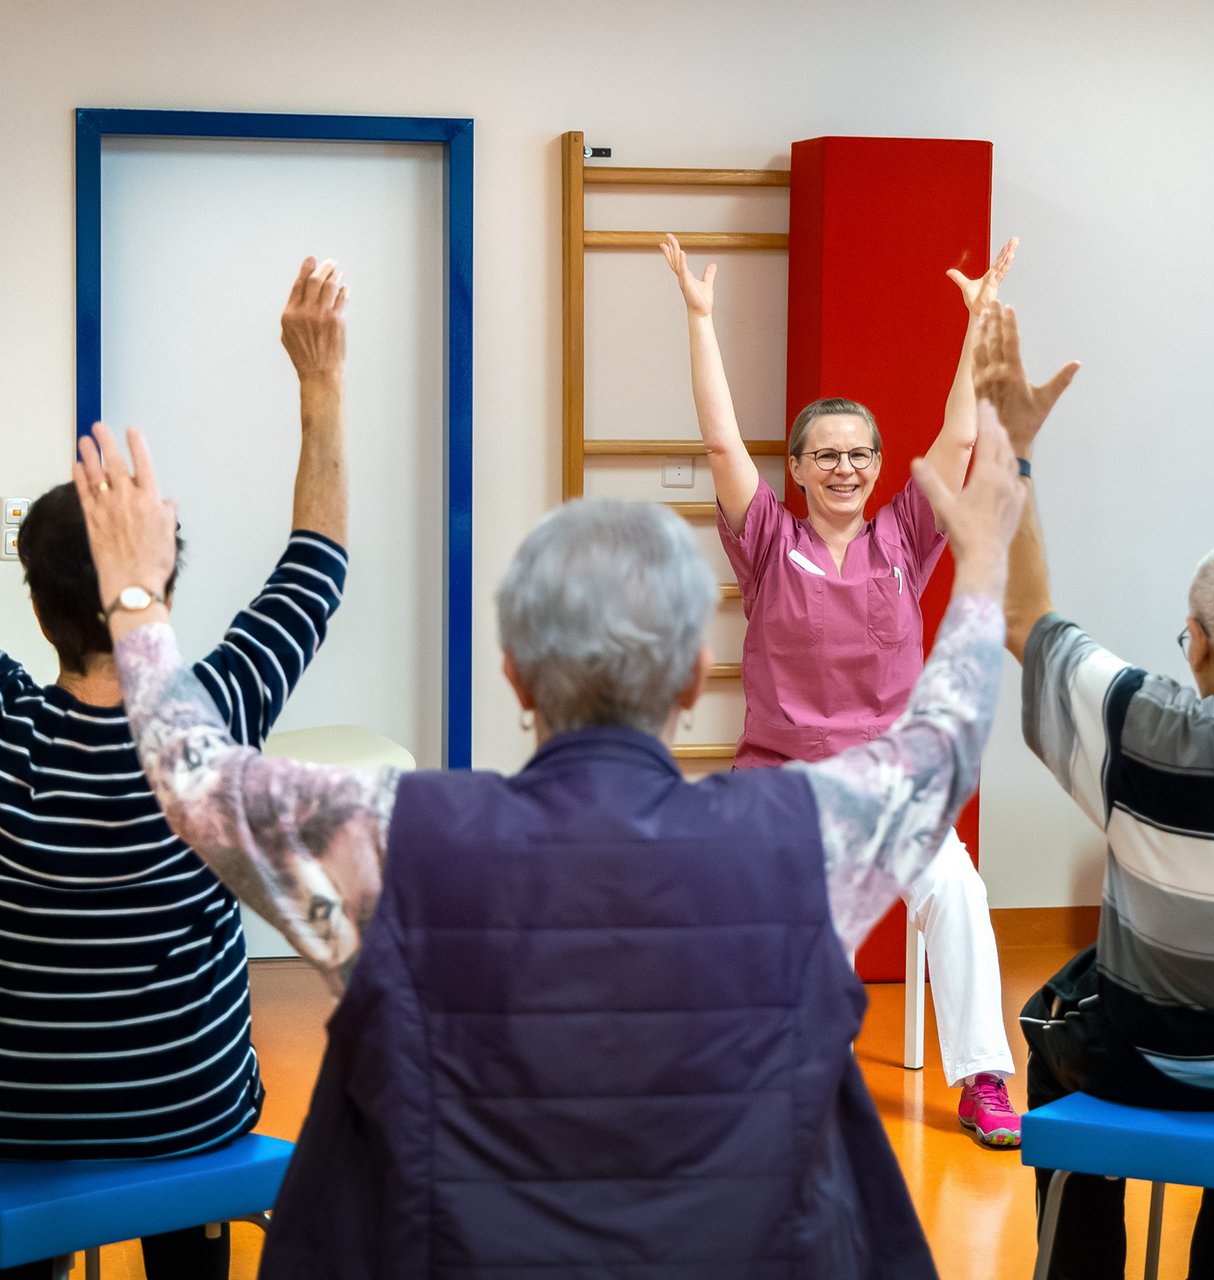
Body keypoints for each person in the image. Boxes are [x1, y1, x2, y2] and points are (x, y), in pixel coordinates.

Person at [71, 403, 1026, 1279]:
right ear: (698, 676)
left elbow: (192, 777)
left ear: (515, 676)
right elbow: (947, 736)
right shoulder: (800, 835)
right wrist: (982, 568)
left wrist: (134, 598)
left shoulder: (399, 839)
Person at [0, 259, 349, 1280]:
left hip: (20, 1114)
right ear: (158, 577)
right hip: (183, 1110)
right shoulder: (219, 714)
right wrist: (319, 380)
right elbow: (317, 559)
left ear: (36, 604)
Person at [660, 231, 1023, 1146]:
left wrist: (978, 323)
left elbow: (962, 438)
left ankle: (983, 1078)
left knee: (960, 892)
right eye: (826, 455)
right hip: (784, 784)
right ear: (797, 468)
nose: (846, 469)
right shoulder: (767, 543)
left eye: (860, 454)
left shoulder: (907, 533)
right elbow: (715, 435)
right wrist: (700, 320)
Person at [985, 299, 1214, 1280]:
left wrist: (1015, 450)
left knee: (1054, 1012)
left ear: (1194, 642)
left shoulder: (1149, 726)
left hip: (1151, 1060)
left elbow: (1025, 619)